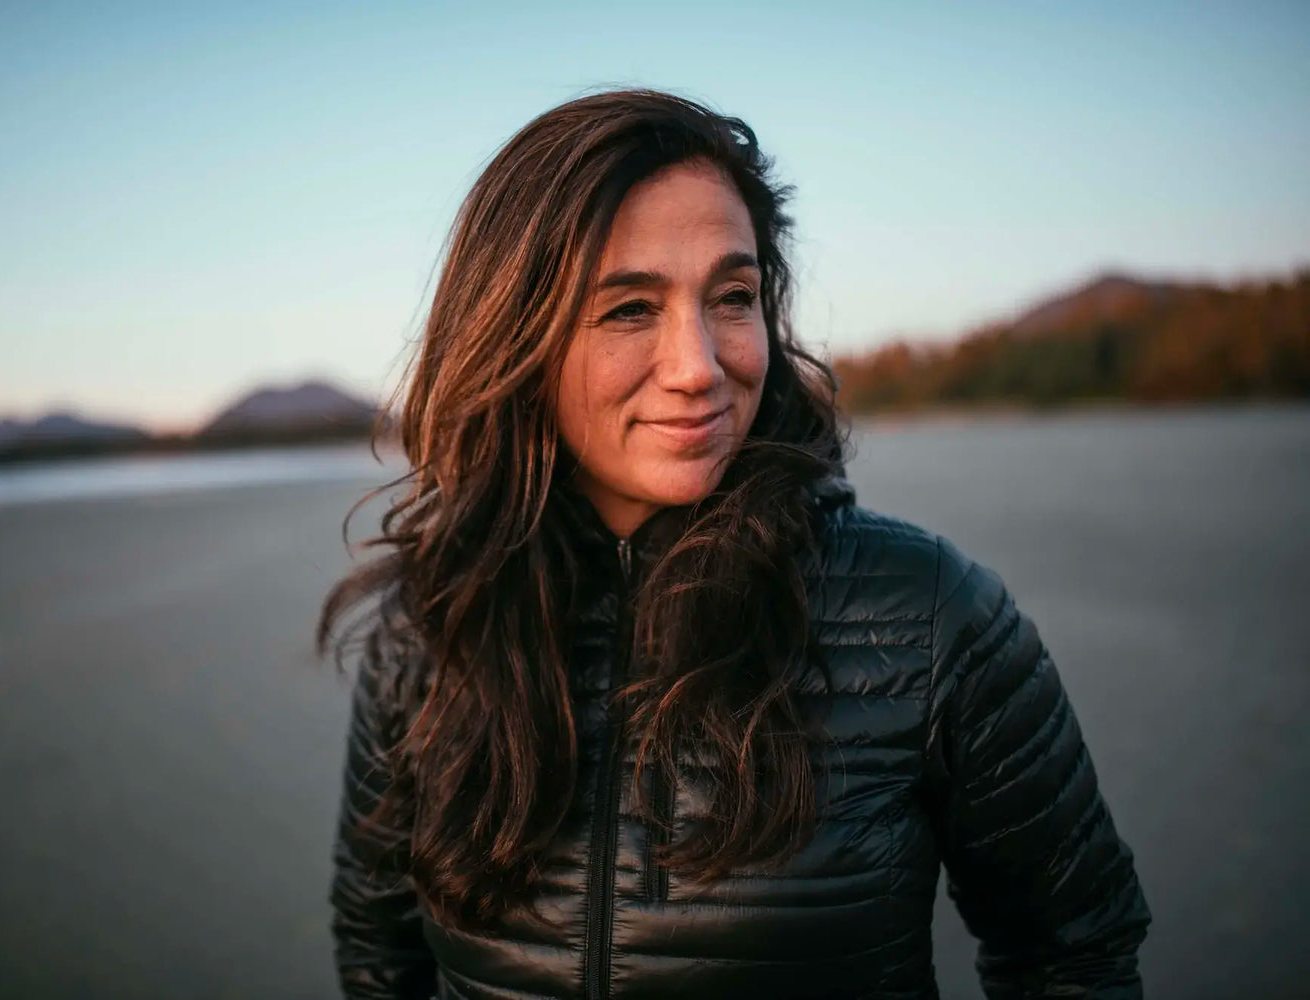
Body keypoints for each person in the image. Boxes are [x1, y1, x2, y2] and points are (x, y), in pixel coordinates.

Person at [318, 89, 1150, 1000]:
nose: (699, 366)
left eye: (733, 296)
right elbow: (379, 954)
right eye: (629, 308)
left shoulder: (929, 612)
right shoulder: (431, 624)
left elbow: (1074, 954)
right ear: (514, 337)